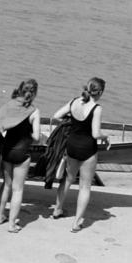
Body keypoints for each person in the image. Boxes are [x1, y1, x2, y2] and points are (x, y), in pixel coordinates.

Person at [50, 77, 106, 231]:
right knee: (85, 187)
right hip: (88, 149)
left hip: (72, 146)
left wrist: (72, 120)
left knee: (67, 179)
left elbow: (56, 116)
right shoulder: (96, 108)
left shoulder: (74, 101)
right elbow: (95, 134)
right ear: (100, 92)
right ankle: (76, 223)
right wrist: (105, 137)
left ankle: (57, 210)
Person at [0, 79, 40, 231]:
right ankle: (11, 224)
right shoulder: (34, 111)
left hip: (7, 150)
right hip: (22, 153)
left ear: (20, 90)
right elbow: (36, 137)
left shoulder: (9, 105)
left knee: (6, 185)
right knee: (18, 189)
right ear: (34, 93)